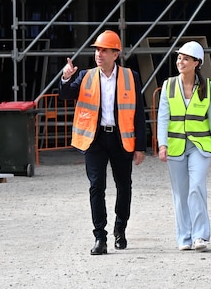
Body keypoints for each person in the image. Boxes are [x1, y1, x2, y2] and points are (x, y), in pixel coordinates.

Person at [58, 30, 147, 255]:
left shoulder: (131, 77)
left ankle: (120, 228)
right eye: (97, 50)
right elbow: (66, 94)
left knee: (124, 185)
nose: (99, 54)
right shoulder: (85, 76)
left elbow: (139, 113)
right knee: (96, 187)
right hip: (94, 139)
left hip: (121, 139)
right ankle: (100, 236)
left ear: (115, 54)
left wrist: (141, 147)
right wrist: (66, 77)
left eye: (104, 50)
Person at [157, 41, 211, 252]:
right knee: (180, 193)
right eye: (179, 58)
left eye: (185, 58)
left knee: (196, 188)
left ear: (196, 63)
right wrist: (162, 144)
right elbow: (162, 118)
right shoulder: (168, 86)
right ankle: (184, 237)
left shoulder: (208, 87)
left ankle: (200, 236)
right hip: (176, 145)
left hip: (200, 145)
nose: (180, 61)